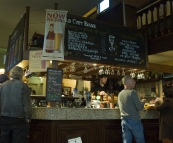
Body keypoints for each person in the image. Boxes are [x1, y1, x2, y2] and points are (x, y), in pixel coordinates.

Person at [0, 66, 32, 143]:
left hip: (4, 119)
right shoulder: (23, 86)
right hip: (19, 120)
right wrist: (28, 117)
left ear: (11, 74)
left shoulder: (2, 86)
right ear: (21, 75)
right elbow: (26, 104)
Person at [118, 75, 146, 143]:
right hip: (134, 121)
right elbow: (139, 107)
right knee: (140, 141)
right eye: (132, 81)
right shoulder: (132, 92)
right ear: (127, 83)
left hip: (124, 121)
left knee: (126, 141)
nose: (134, 82)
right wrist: (142, 102)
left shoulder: (120, 93)